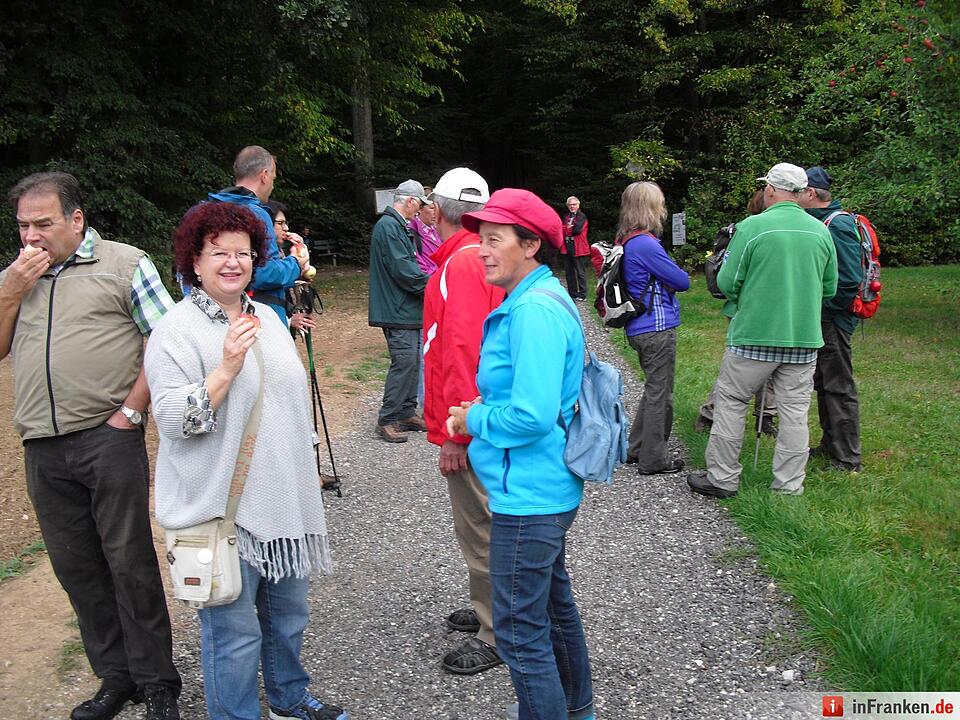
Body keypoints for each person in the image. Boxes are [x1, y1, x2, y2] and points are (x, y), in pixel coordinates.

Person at [145, 201, 346, 720]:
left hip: (283, 504)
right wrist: (226, 366)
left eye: (243, 252)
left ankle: (287, 696)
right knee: (233, 634)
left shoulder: (270, 320)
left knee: (288, 618)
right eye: (218, 253)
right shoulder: (176, 330)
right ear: (194, 260)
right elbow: (174, 421)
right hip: (224, 513)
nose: (232, 263)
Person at [0, 172, 181, 720]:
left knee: (128, 562)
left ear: (76, 220)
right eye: (22, 227)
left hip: (108, 438)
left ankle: (157, 683)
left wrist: (130, 412)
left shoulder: (124, 263)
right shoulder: (17, 278)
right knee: (76, 567)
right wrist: (10, 289)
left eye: (43, 224)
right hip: (42, 445)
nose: (31, 237)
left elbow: (165, 340)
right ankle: (115, 676)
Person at [448, 188, 595, 720]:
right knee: (554, 611)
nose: (481, 250)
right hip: (543, 487)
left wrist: (472, 418)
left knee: (517, 629)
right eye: (479, 239)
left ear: (531, 244)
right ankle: (577, 710)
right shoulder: (542, 298)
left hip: (527, 495)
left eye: (494, 240)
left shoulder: (532, 311)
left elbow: (531, 417)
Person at [687, 163, 838, 498]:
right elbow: (829, 288)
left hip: (753, 336)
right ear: (801, 193)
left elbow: (726, 282)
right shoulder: (821, 231)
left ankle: (723, 478)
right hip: (802, 337)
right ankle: (788, 486)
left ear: (770, 189)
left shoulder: (752, 227)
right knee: (795, 413)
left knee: (731, 401)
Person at [421, 168, 505, 675]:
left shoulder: (461, 264)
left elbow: (461, 353)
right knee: (483, 522)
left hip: (472, 424)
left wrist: (456, 433)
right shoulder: (480, 258)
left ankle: (497, 631)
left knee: (481, 527)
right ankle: (485, 610)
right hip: (484, 417)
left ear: (438, 209)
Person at [617, 182, 691, 475]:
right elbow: (682, 281)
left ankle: (636, 449)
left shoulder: (626, 238)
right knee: (662, 394)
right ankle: (654, 459)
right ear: (650, 208)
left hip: (638, 326)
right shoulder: (646, 244)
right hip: (656, 327)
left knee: (652, 390)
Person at [695, 190, 778, 436]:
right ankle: (711, 413)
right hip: (747, 306)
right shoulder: (748, 230)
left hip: (760, 306)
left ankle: (765, 417)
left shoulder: (755, 229)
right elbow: (730, 277)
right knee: (740, 366)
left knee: (766, 364)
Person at [799, 166, 863, 471]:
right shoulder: (821, 222)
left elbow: (850, 279)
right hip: (824, 318)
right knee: (824, 384)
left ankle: (848, 458)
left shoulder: (837, 226)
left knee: (839, 385)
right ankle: (830, 445)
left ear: (811, 193)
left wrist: (823, 306)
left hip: (834, 320)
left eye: (798, 192)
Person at [208, 145, 307, 325]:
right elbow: (263, 273)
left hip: (216, 319)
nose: (272, 185)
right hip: (260, 318)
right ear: (264, 175)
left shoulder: (205, 210)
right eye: (273, 178)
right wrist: (296, 264)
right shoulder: (256, 214)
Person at [368, 179, 431, 443]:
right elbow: (405, 271)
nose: (419, 211)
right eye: (419, 205)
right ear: (409, 201)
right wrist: (435, 285)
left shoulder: (396, 226)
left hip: (406, 308)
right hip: (397, 308)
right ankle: (388, 418)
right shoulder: (389, 227)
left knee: (413, 362)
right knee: (404, 362)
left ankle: (406, 411)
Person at [267, 200, 319, 335]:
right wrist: (289, 320)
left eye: (285, 223)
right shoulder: (260, 256)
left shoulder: (279, 250)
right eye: (279, 223)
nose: (285, 228)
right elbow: (266, 282)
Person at [560, 195, 590, 299]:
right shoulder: (566, 216)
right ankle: (572, 294)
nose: (572, 206)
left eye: (574, 204)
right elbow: (561, 230)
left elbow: (577, 230)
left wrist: (566, 229)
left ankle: (583, 294)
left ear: (578, 205)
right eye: (570, 205)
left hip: (577, 246)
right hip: (567, 245)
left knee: (580, 271)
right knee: (569, 271)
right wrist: (567, 229)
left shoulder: (582, 216)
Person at [409, 193, 442, 276]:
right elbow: (419, 269)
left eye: (437, 208)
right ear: (419, 208)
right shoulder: (411, 233)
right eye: (432, 208)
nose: (436, 212)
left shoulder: (437, 230)